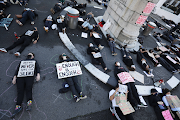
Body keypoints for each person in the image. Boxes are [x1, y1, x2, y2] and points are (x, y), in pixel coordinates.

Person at [10, 53, 40, 118]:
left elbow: (37, 67)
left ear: (33, 56)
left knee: (28, 88)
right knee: (20, 91)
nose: (29, 55)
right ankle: (18, 106)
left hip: (29, 76)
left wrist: (38, 74)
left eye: (31, 54)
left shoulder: (34, 61)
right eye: (28, 54)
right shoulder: (22, 61)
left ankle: (29, 103)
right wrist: (15, 77)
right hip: (21, 76)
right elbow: (18, 69)